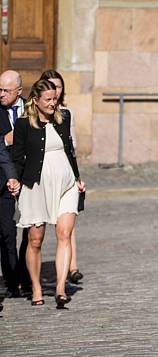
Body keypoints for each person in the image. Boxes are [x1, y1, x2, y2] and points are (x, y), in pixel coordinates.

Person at [12, 79, 86, 308]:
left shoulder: (64, 118)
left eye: (55, 98)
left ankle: (61, 288)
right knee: (35, 240)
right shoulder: (24, 124)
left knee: (64, 233)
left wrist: (77, 178)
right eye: (49, 100)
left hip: (66, 185)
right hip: (35, 186)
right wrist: (15, 180)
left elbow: (69, 150)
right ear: (36, 100)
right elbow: (17, 156)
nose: (54, 103)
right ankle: (35, 287)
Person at [40, 69, 82, 284]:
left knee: (67, 223)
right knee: (36, 229)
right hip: (43, 175)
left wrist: (76, 175)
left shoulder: (66, 113)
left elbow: (72, 144)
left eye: (58, 85)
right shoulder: (35, 116)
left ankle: (71, 267)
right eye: (51, 85)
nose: (56, 90)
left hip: (65, 171)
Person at [0, 70, 29, 297]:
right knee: (7, 231)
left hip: (28, 176)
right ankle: (11, 283)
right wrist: (8, 138)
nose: (1, 94)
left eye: (6, 90)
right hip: (4, 178)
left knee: (32, 230)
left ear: (19, 91)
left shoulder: (31, 108)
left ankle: (26, 276)